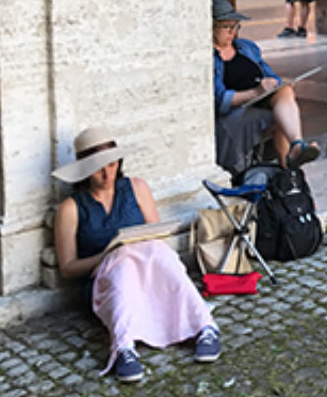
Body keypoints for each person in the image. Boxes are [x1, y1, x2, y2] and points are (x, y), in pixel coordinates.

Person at [52, 126, 220, 383]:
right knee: (122, 265)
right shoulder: (71, 208)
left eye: (111, 164)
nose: (107, 173)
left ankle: (204, 326)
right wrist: (108, 254)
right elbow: (67, 267)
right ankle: (123, 347)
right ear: (85, 170)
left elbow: (157, 234)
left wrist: (132, 245)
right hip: (105, 278)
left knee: (161, 253)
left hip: (148, 269)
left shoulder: (136, 187)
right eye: (98, 167)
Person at [213, 0, 321, 173]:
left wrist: (276, 84)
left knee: (284, 91)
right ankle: (287, 167)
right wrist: (256, 92)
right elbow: (221, 100)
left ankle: (297, 144)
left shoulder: (246, 47)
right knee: (280, 117)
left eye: (236, 26)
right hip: (237, 107)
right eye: (226, 27)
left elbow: (270, 75)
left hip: (261, 98)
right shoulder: (208, 57)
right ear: (212, 28)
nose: (233, 31)